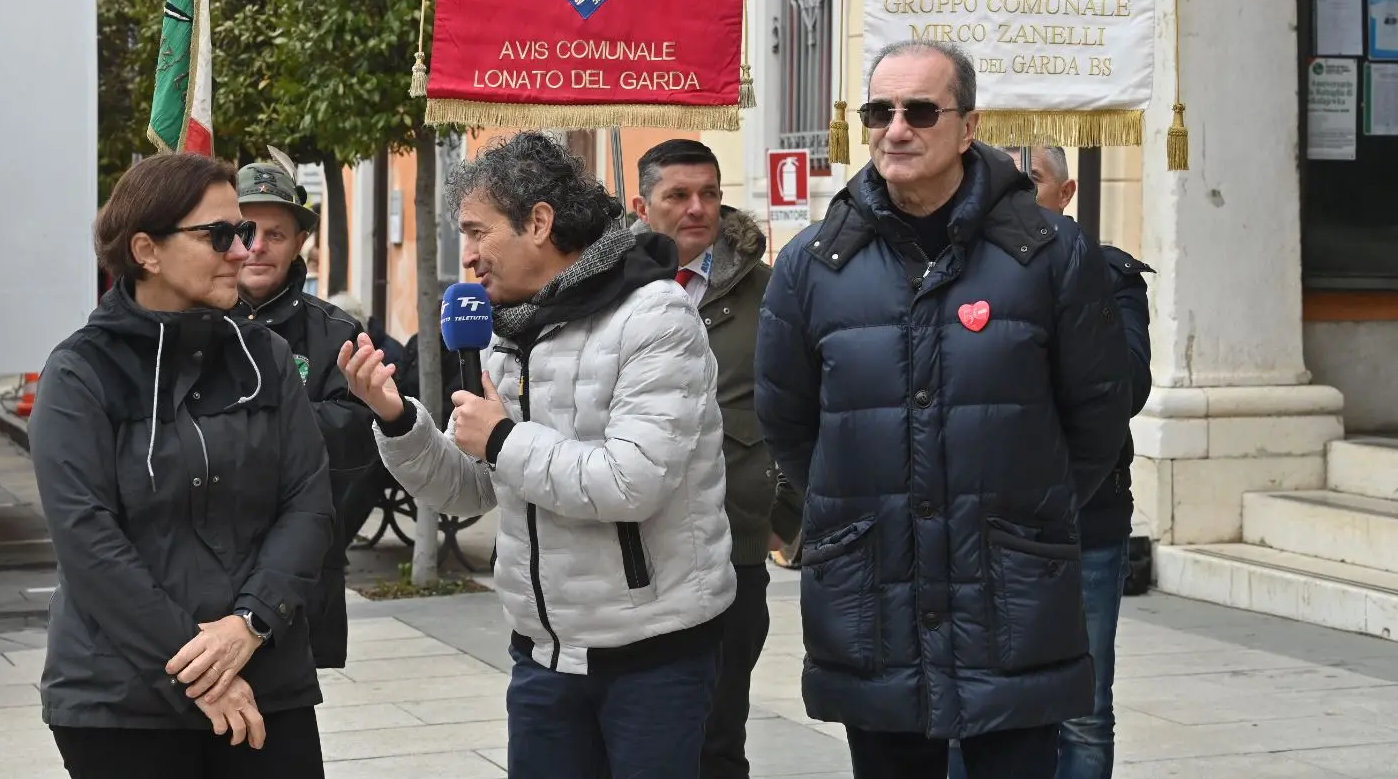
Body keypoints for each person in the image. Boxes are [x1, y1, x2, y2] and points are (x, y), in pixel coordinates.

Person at [755, 41, 1133, 779]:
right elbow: (787, 422)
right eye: (880, 111)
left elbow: (1096, 415)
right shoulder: (813, 263)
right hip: (875, 597)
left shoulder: (1051, 253)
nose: (896, 128)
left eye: (921, 111)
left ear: (969, 127)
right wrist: (861, 510)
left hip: (1012, 596)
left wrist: (1029, 514)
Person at [338, 131, 735, 779]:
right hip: (544, 655)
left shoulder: (655, 317)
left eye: (478, 232)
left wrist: (501, 438)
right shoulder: (511, 328)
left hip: (653, 656)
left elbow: (632, 482)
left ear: (540, 223)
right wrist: (397, 418)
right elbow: (472, 490)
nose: (468, 256)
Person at [30, 152, 335, 778]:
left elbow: (308, 503)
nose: (241, 251)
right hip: (121, 699)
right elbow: (87, 540)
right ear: (146, 250)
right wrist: (197, 666)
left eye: (242, 232)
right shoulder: (80, 371)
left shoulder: (267, 357)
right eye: (219, 235)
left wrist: (249, 624)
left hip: (263, 674)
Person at [948, 146, 1153, 779]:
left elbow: (1126, 389)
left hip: (1082, 520)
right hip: (972, 523)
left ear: (1065, 196)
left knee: (1084, 710)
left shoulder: (1107, 274)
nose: (1011, 195)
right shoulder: (952, 274)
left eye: (1029, 181)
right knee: (963, 707)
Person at [630, 138, 774, 779]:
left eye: (709, 193)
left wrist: (781, 514)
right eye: (679, 195)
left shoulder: (767, 292)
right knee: (639, 740)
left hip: (733, 547)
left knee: (717, 740)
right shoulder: (604, 288)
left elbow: (807, 404)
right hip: (632, 548)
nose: (698, 208)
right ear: (642, 207)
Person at [233, 160, 379, 668]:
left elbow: (357, 439)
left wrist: (248, 425)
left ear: (300, 243)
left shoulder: (337, 333)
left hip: (302, 569)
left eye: (275, 234)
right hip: (207, 570)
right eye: (245, 231)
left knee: (288, 706)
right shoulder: (191, 325)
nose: (257, 246)